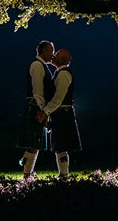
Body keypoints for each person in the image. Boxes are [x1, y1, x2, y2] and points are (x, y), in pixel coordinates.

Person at [36, 48, 82, 180]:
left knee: (61, 146)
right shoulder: (60, 72)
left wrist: (45, 112)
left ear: (61, 60)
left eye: (56, 55)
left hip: (62, 113)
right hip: (61, 113)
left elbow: (58, 98)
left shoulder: (63, 74)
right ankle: (63, 175)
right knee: (60, 146)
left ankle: (64, 176)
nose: (53, 56)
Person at [17, 40, 55, 179]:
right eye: (51, 51)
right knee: (33, 143)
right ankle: (27, 175)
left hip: (36, 105)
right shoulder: (37, 66)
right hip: (36, 106)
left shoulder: (41, 65)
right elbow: (37, 91)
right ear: (44, 51)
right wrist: (43, 111)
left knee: (34, 143)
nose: (53, 54)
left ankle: (28, 172)